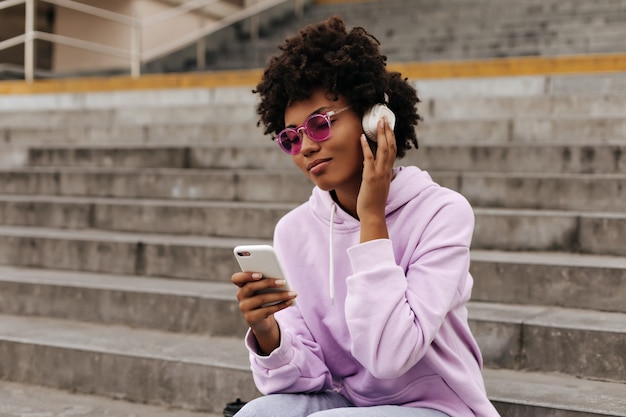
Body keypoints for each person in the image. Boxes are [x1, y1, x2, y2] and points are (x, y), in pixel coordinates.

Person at [231, 15, 501, 417]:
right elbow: (304, 379)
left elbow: (391, 355)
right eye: (291, 136)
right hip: (347, 403)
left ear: (375, 118)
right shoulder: (294, 231)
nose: (305, 146)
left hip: (437, 408)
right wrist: (269, 333)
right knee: (255, 414)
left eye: (320, 124)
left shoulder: (441, 213)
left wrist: (371, 218)